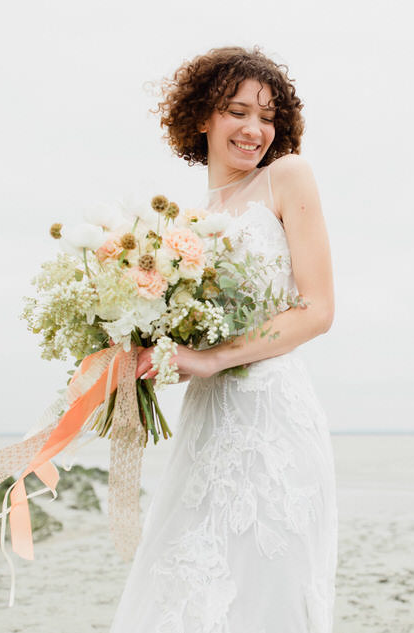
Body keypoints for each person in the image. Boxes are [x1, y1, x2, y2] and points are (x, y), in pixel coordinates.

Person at [109, 46, 338, 633]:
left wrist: (210, 359)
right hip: (208, 421)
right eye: (238, 111)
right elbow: (179, 335)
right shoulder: (182, 226)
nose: (254, 129)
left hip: (272, 415)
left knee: (267, 590)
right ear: (202, 118)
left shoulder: (286, 178)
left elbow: (316, 311)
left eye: (267, 117)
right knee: (188, 585)